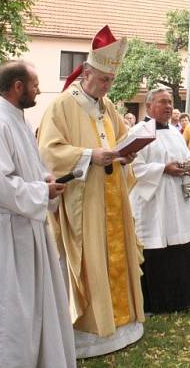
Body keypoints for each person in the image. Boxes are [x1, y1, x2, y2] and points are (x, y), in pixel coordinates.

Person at [37, 26, 144, 357]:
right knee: (90, 261)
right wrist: (89, 156)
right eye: (101, 80)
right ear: (85, 73)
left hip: (112, 195)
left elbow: (123, 138)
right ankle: (90, 333)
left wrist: (128, 152)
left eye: (110, 81)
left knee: (115, 256)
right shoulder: (61, 106)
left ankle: (122, 324)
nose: (106, 86)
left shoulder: (107, 106)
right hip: (84, 199)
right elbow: (48, 151)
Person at [0, 61, 75, 368]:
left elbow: (30, 169)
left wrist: (47, 180)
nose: (39, 89)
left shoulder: (20, 122)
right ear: (17, 87)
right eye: (35, 84)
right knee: (6, 311)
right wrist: (41, 193)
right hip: (4, 231)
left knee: (34, 307)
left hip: (29, 227)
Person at [131, 87, 190, 312]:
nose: (169, 106)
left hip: (178, 202)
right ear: (149, 105)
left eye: (171, 102)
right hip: (153, 204)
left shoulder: (175, 132)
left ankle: (186, 298)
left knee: (182, 246)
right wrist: (163, 169)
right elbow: (132, 169)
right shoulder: (137, 133)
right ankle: (156, 303)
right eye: (163, 102)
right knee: (156, 246)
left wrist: (189, 169)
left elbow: (186, 161)